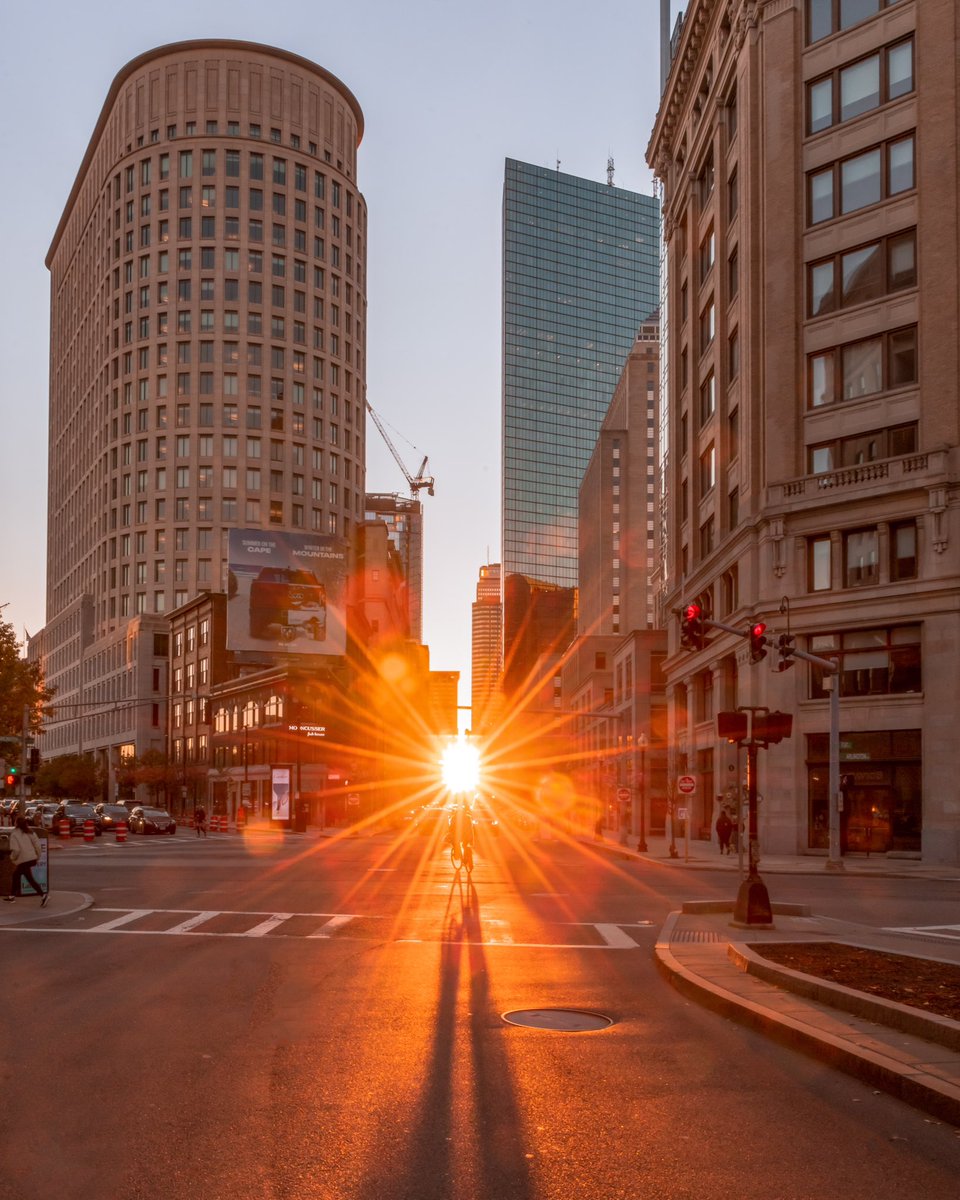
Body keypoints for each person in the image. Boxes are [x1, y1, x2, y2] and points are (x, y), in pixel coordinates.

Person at [4, 816, 47, 906]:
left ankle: (43, 895)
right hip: (31, 858)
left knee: (27, 878)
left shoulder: (14, 834)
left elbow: (16, 850)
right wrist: (37, 856)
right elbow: (38, 846)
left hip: (23, 860)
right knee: (18, 875)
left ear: (16, 823)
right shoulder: (30, 832)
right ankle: (12, 896)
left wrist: (12, 858)